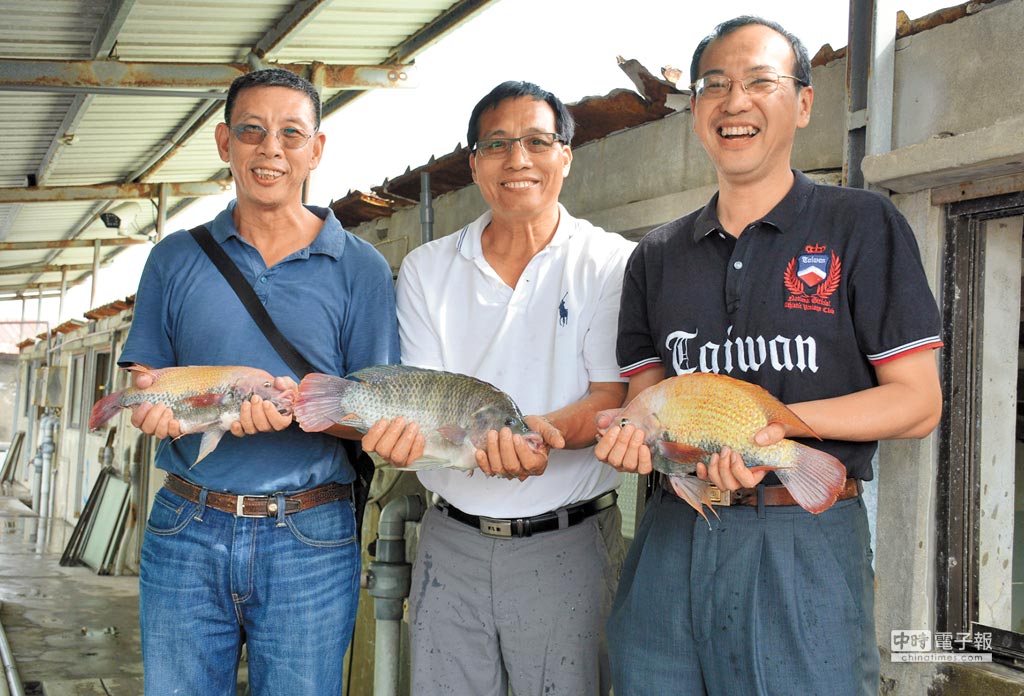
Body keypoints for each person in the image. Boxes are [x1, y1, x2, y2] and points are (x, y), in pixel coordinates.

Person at [594, 16, 943, 696]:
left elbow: (916, 401)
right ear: (695, 109)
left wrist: (774, 428)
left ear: (804, 103)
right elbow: (650, 401)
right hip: (677, 530)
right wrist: (639, 446)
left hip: (802, 539)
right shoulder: (655, 257)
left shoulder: (860, 224)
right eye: (714, 86)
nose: (735, 102)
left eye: (761, 82)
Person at [119, 68, 399, 695]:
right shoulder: (175, 256)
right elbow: (147, 382)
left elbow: (375, 412)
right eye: (252, 131)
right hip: (186, 524)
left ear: (315, 149)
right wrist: (152, 409)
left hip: (311, 533)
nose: (271, 148)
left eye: (291, 133)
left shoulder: (361, 268)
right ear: (224, 143)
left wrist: (303, 409)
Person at [363, 81, 635, 695]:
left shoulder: (610, 262)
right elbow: (422, 402)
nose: (518, 159)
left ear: (566, 154)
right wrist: (397, 442)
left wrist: (539, 437)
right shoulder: (428, 269)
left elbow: (612, 399)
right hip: (449, 540)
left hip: (567, 546)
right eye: (498, 144)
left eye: (538, 141)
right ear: (475, 163)